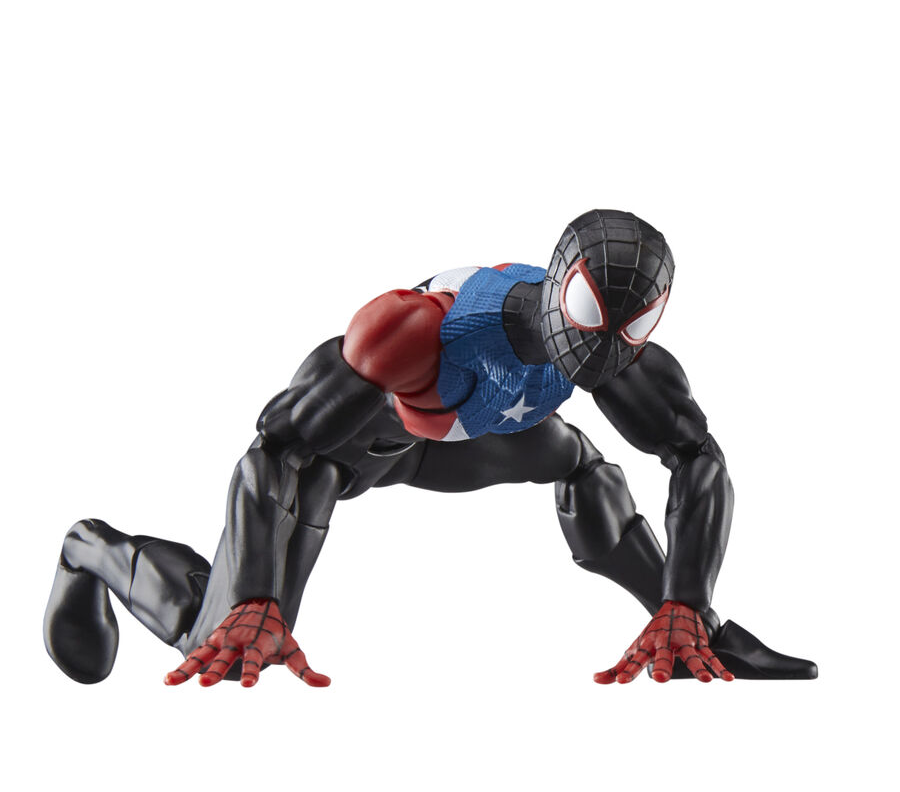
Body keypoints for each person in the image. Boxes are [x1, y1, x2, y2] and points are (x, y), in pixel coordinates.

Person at [44, 210, 817, 688]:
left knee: (584, 465)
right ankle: (90, 551)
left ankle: (690, 632)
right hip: (354, 455)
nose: (603, 348)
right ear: (559, 285)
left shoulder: (618, 352)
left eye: (632, 325)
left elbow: (697, 459)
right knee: (216, 637)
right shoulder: (416, 328)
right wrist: (254, 596)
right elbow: (271, 452)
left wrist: (687, 599)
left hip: (474, 440)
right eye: (587, 309)